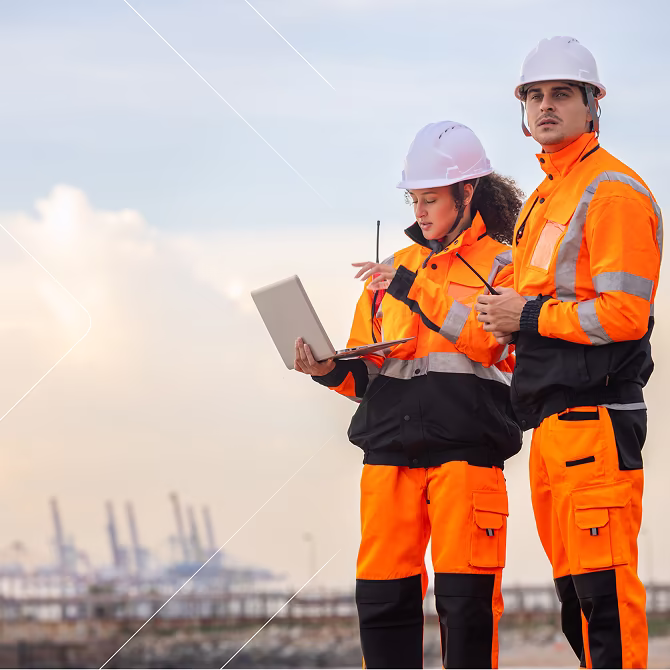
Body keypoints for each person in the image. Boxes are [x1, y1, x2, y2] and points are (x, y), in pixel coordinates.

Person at [294, 121, 524, 669]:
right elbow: (370, 380)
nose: (419, 212)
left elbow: (494, 349)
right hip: (388, 461)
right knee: (382, 602)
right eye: (413, 199)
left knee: (466, 607)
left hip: (466, 460)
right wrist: (327, 370)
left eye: (430, 199)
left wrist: (414, 288)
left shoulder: (505, 266)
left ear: (468, 193)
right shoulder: (392, 271)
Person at [476, 37, 662, 669]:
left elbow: (622, 314)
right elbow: (536, 312)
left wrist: (523, 314)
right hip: (553, 427)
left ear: (592, 104)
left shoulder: (611, 192)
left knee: (604, 597)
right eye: (535, 96)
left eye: (561, 94)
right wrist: (505, 321)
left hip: (597, 420)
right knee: (575, 603)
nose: (546, 106)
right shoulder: (541, 199)